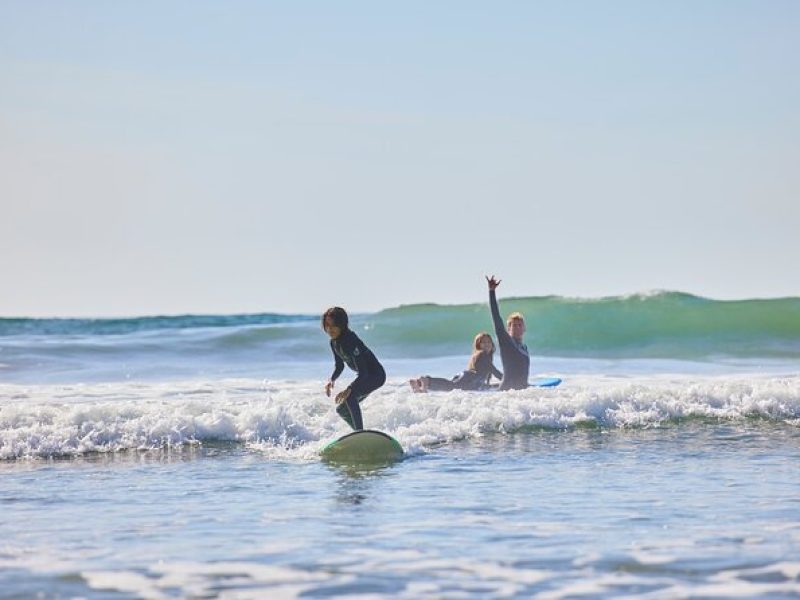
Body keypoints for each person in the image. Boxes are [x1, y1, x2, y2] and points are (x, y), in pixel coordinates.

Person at [322, 306, 386, 431]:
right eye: (327, 325)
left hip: (376, 376)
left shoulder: (350, 341)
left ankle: (360, 433)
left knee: (350, 396)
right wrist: (332, 379)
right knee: (342, 410)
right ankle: (359, 435)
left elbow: (363, 373)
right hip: (365, 376)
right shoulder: (334, 342)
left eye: (333, 325)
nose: (330, 329)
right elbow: (339, 365)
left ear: (342, 324)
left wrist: (349, 388)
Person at [409, 332, 503, 393]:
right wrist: (507, 379)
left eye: (489, 342)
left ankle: (419, 384)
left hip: (467, 377)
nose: (487, 344)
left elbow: (485, 381)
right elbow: (494, 371)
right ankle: (427, 380)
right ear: (479, 345)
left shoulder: (478, 355)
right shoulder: (483, 355)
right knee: (450, 386)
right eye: (484, 342)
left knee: (450, 386)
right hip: (470, 378)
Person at [486, 275, 530, 390]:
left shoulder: (524, 347)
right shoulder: (507, 342)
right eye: (513, 325)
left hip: (520, 393)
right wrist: (492, 291)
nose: (516, 327)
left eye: (519, 325)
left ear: (524, 328)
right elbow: (496, 318)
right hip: (507, 395)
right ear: (508, 328)